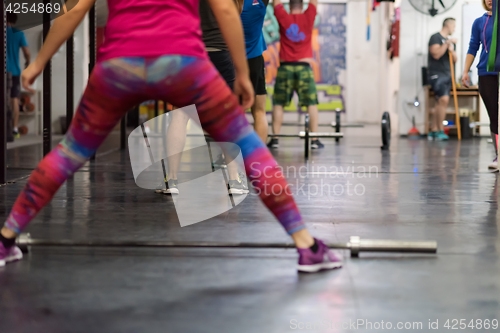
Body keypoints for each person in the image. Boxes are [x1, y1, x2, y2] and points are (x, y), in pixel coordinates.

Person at [0, 0, 342, 273]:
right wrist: (242, 73)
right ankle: (306, 246)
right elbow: (224, 8)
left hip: (119, 65)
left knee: (69, 151)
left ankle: (5, 239)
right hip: (182, 62)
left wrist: (37, 63)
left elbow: (73, 8)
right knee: (248, 143)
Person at [158, 0, 249, 195]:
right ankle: (234, 180)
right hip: (220, 51)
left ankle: (171, 180)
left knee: (180, 115)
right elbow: (236, 11)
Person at [267, 0, 323, 150]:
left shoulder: (282, 16)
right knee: (311, 103)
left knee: (278, 104)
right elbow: (314, 2)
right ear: (302, 5)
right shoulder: (309, 15)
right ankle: (314, 139)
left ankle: (275, 139)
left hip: (286, 67)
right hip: (304, 67)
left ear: (289, 6)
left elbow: (275, 2)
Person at [462, 0, 498, 170]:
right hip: (486, 73)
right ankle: (498, 156)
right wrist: (465, 71)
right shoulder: (479, 22)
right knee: (494, 115)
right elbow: (473, 47)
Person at [241, 0, 269, 142]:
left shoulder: (229, 6)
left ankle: (228, 157)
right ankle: (260, 159)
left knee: (234, 115)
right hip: (255, 62)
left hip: (233, 61)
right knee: (259, 111)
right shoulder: (260, 5)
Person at [427, 18, 457, 141]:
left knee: (440, 101)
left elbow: (455, 59)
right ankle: (440, 130)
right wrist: (446, 44)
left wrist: (452, 50)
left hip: (448, 74)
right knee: (443, 100)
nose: (454, 29)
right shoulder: (436, 38)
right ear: (448, 25)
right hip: (436, 74)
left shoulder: (450, 43)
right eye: (454, 26)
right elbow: (436, 54)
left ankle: (434, 129)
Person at [6, 13, 31, 139]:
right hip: (14, 71)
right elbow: (27, 52)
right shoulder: (18, 33)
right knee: (14, 100)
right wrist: (28, 62)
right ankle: (14, 129)